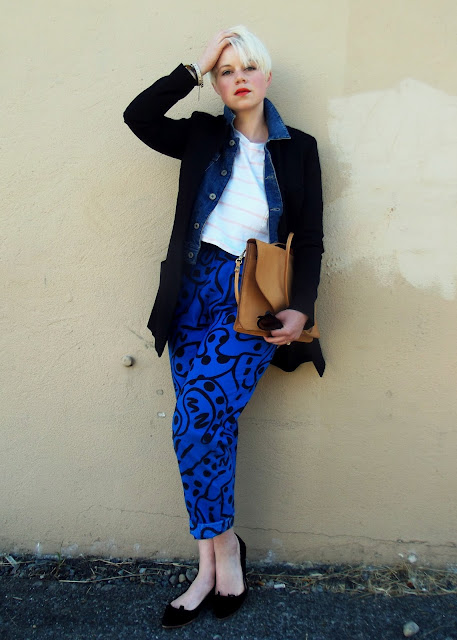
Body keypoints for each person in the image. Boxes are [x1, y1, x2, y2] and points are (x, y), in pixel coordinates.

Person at [123, 26, 324, 628]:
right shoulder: (202, 135)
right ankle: (213, 559)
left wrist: (302, 309)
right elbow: (138, 116)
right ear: (216, 82)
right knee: (207, 424)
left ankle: (218, 554)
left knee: (197, 420)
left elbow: (310, 240)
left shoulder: (298, 149)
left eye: (247, 68)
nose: (237, 79)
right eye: (225, 71)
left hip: (254, 297)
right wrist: (193, 66)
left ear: (267, 78)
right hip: (193, 291)